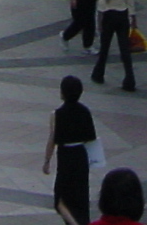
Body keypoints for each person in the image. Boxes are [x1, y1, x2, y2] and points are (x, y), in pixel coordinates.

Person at [42, 74, 97, 225]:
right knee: (81, 196)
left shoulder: (57, 114)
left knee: (60, 199)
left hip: (65, 156)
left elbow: (52, 140)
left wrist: (47, 161)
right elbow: (91, 137)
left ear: (62, 93)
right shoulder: (85, 111)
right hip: (81, 155)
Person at [91, 0, 137, 91]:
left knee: (105, 48)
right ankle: (130, 79)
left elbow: (101, 2)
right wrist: (133, 18)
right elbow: (130, 0)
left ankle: (99, 73)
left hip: (109, 16)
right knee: (124, 49)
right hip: (123, 16)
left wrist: (99, 20)